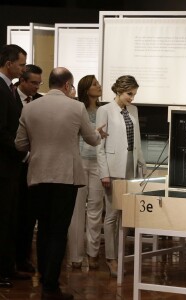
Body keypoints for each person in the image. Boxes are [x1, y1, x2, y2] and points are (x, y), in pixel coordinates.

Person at [15, 67, 106, 300]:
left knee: (43, 230)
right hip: (66, 177)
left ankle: (45, 279)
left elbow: (19, 145)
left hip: (37, 176)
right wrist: (99, 134)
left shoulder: (30, 107)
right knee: (58, 231)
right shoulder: (76, 107)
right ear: (67, 85)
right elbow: (90, 139)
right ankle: (50, 286)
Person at [96, 75, 146, 277]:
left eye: (134, 94)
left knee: (126, 215)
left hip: (131, 169)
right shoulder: (104, 110)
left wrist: (142, 166)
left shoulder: (133, 110)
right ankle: (111, 258)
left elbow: (138, 142)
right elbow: (99, 145)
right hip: (113, 169)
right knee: (111, 215)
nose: (132, 98)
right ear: (119, 91)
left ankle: (121, 255)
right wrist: (104, 173)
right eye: (129, 94)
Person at [68, 75, 104, 269]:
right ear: (85, 88)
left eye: (98, 84)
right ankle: (75, 256)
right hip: (79, 161)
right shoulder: (76, 108)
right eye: (95, 84)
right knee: (76, 210)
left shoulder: (103, 110)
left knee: (96, 209)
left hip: (98, 162)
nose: (99, 86)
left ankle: (93, 253)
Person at [0, 44, 28, 288]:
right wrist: (21, 148)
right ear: (9, 64)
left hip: (10, 165)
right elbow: (1, 130)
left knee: (10, 217)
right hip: (3, 165)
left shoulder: (10, 88)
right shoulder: (1, 88)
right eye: (20, 64)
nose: (22, 68)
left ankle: (8, 266)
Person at [15, 64, 43, 274]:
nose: (36, 87)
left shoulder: (41, 101)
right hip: (13, 165)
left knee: (29, 215)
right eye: (33, 83)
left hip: (37, 167)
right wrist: (24, 155)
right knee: (12, 215)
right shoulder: (9, 97)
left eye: (39, 83)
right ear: (22, 81)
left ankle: (23, 258)